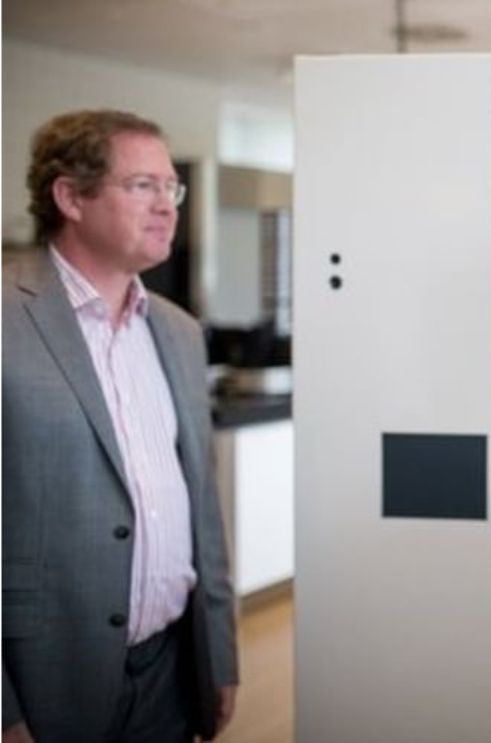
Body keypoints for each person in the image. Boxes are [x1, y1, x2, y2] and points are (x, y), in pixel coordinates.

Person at [2, 110, 238, 742]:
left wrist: (218, 655)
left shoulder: (179, 331)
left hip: (170, 672)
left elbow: (202, 512)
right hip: (43, 679)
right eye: (142, 186)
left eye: (171, 188)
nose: (166, 207)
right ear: (70, 196)